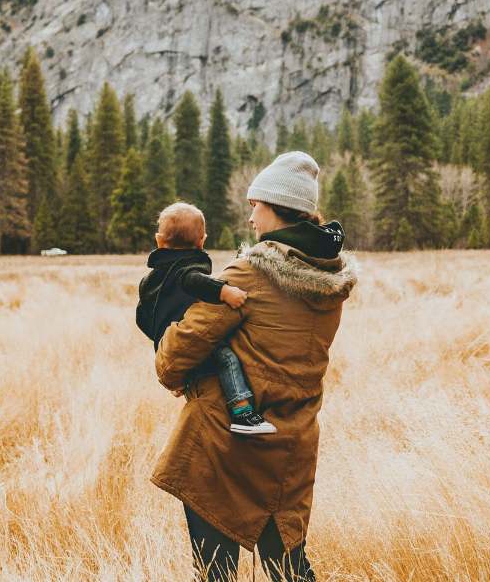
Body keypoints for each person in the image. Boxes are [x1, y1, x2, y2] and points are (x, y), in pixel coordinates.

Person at [151, 151, 357, 582]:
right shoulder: (330, 280)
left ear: (277, 209)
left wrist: (166, 346)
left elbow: (176, 356)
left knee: (215, 573)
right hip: (291, 447)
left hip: (225, 448)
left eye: (255, 207)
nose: (251, 219)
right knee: (290, 570)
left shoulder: (248, 275)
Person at [136, 201, 276, 434]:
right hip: (187, 337)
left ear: (159, 241)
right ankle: (242, 412)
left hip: (166, 344)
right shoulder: (187, 268)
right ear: (202, 241)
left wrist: (161, 336)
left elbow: (141, 317)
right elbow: (193, 280)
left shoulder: (150, 280)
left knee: (195, 373)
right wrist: (225, 291)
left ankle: (182, 380)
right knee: (227, 358)